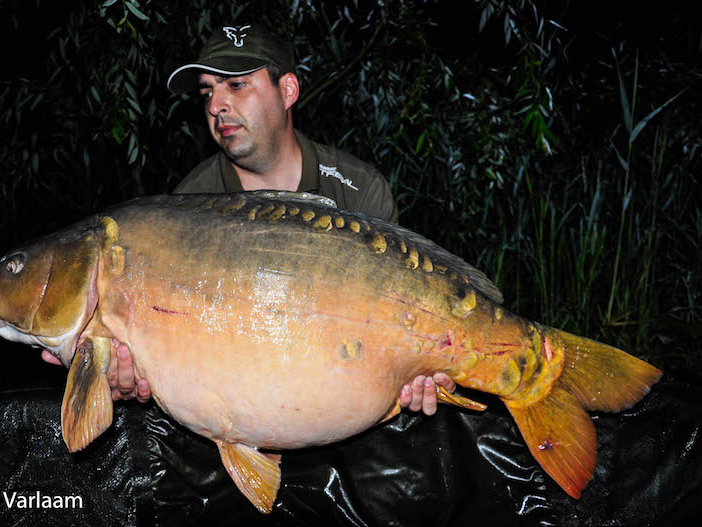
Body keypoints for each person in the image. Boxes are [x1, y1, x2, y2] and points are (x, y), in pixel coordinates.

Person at [41, 24, 454, 415]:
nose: (217, 106)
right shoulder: (185, 207)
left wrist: (426, 369)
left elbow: (416, 326)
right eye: (208, 92)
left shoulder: (360, 191)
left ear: (288, 90)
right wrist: (127, 377)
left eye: (236, 85)